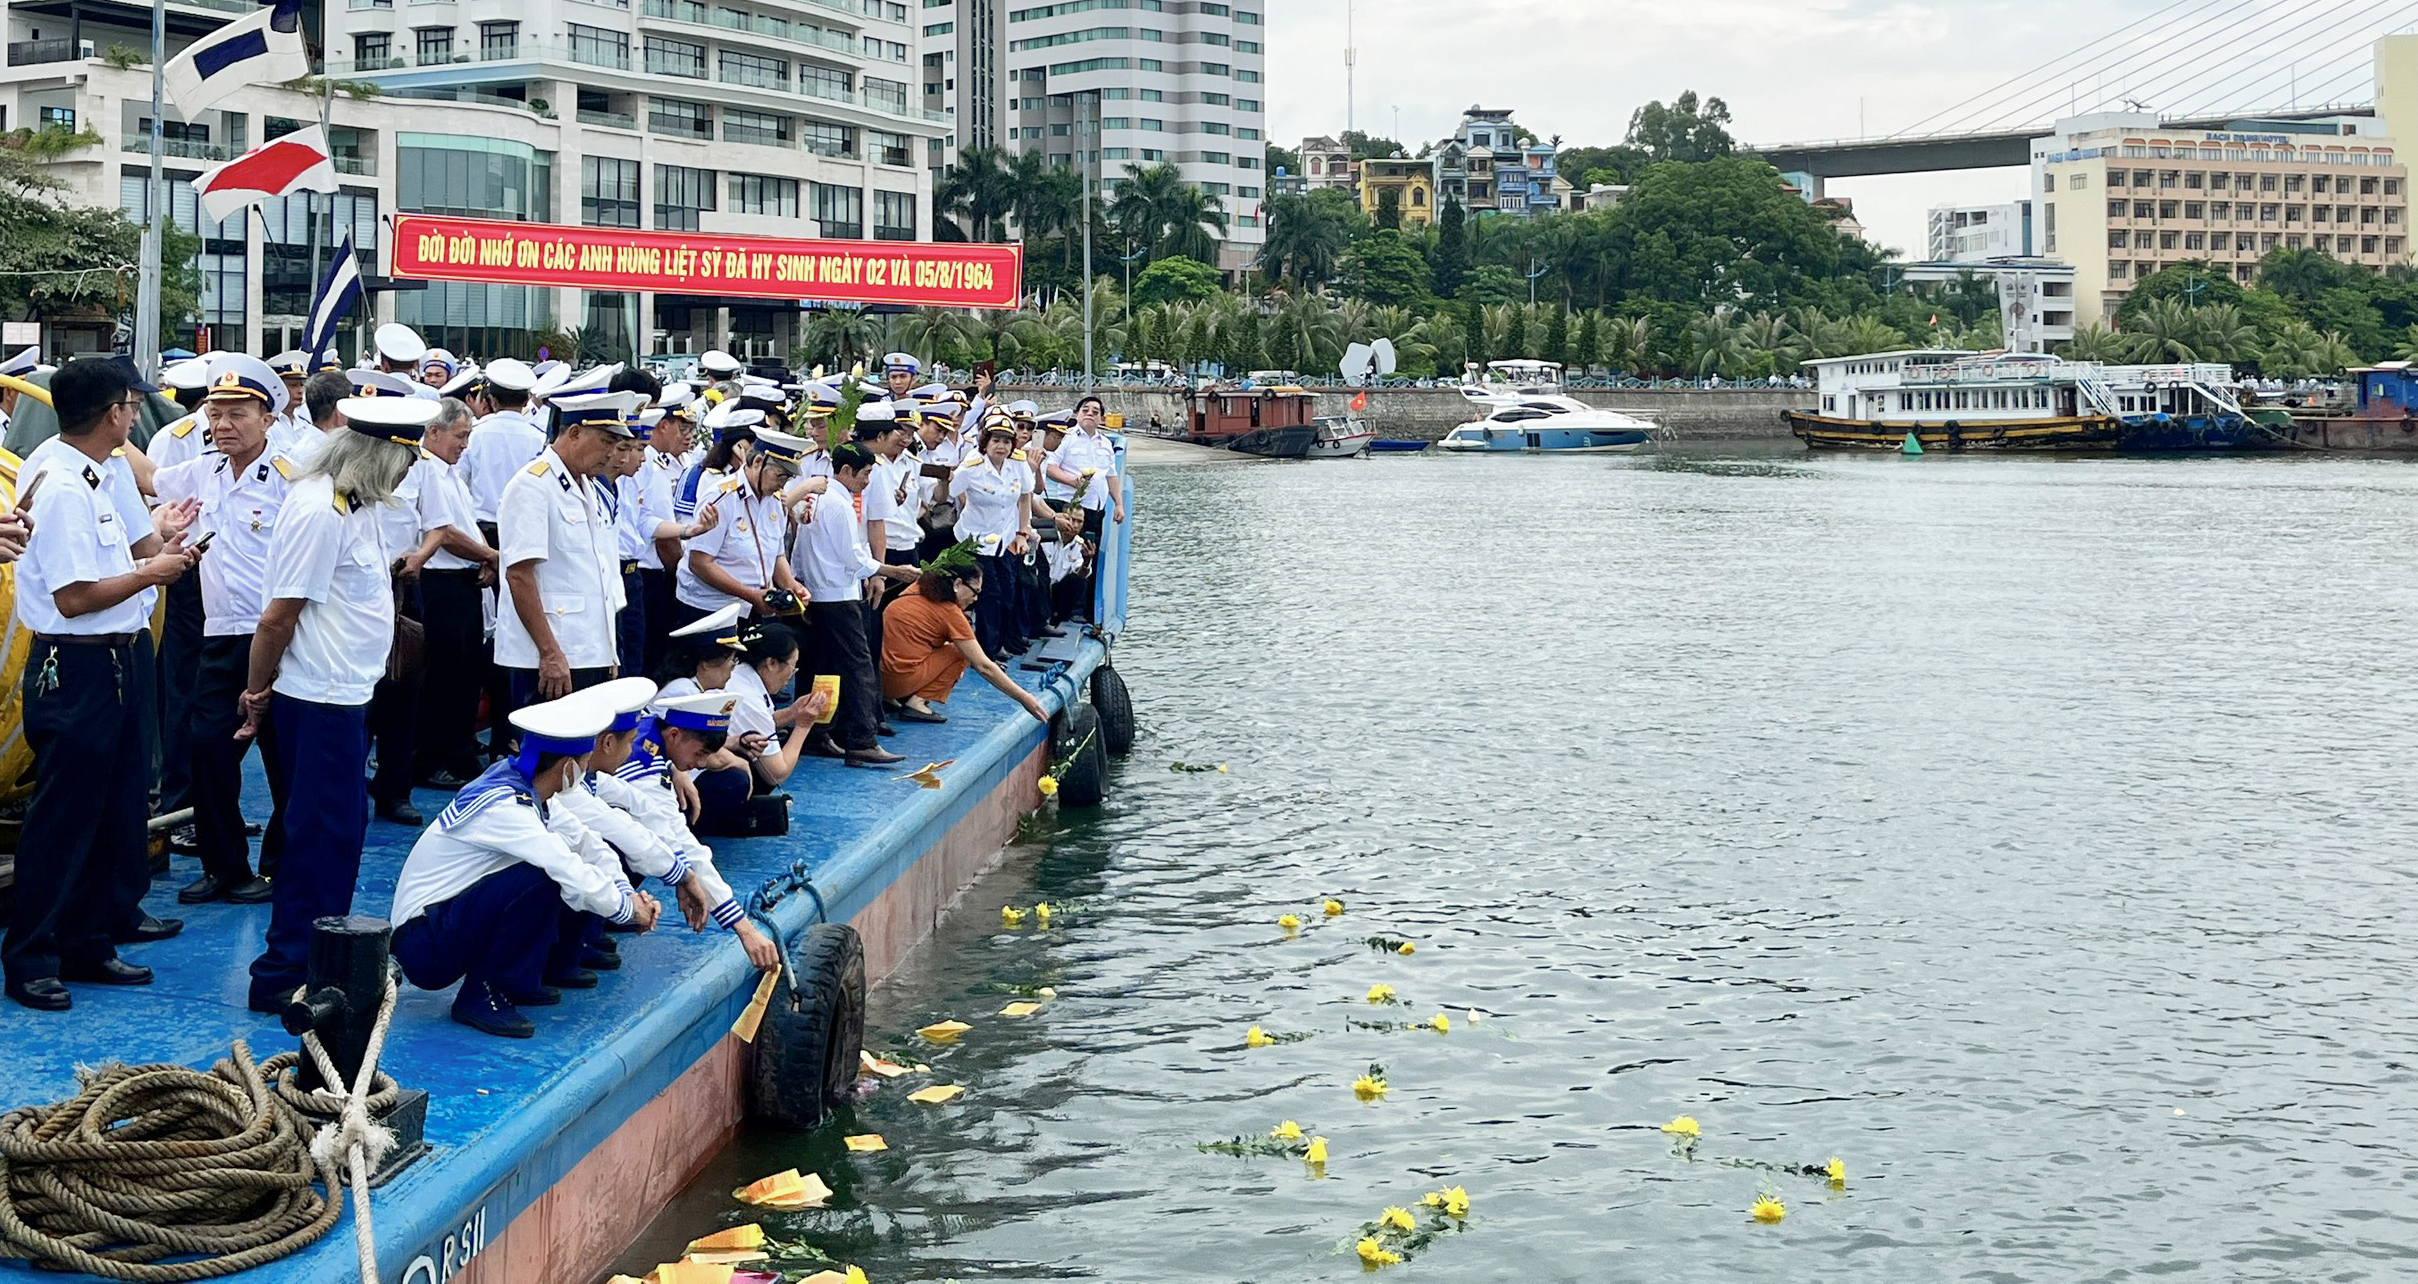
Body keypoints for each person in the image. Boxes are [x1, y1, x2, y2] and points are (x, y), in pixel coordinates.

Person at [4, 358, 198, 1011]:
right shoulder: (59, 485)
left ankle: (88, 940)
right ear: (115, 412)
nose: (134, 415)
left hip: (121, 658)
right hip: (77, 667)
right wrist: (157, 574)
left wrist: (168, 542)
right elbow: (75, 596)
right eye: (130, 405)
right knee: (62, 818)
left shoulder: (104, 471)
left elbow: (140, 546)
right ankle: (31, 956)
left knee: (116, 807)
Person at [237, 393, 432, 1014]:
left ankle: (315, 960)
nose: (408, 475)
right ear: (379, 456)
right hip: (318, 700)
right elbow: (277, 617)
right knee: (320, 839)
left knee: (339, 836)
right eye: (405, 461)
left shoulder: (354, 505)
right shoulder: (321, 509)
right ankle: (285, 973)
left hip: (345, 696)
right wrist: (255, 693)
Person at [388, 694, 661, 1037]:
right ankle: (481, 996)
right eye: (585, 759)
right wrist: (628, 910)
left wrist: (624, 893)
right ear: (568, 767)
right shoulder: (504, 806)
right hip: (423, 945)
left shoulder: (527, 789)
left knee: (554, 867)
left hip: (442, 924)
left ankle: (519, 981)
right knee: (544, 874)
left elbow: (588, 844)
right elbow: (567, 866)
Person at [154, 355, 299, 905]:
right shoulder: (201, 471)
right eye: (215, 414)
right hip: (221, 635)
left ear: (268, 418)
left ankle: (278, 867)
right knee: (206, 750)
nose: (222, 426)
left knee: (283, 757)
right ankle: (224, 865)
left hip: (282, 637)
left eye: (238, 414)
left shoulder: (292, 477)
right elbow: (148, 478)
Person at [582, 679, 779, 969]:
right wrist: (743, 928)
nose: (701, 763)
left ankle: (596, 921)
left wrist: (674, 768)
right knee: (640, 847)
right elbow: (679, 844)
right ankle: (587, 926)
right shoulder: (645, 774)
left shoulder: (652, 728)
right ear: (674, 735)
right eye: (699, 753)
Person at [496, 384, 632, 712]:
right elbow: (519, 575)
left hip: (585, 651)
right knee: (548, 759)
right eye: (606, 442)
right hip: (552, 654)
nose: (612, 454)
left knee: (583, 755)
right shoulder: (533, 485)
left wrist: (607, 650)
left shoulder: (587, 486)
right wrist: (549, 652)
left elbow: (596, 576)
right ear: (574, 433)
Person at [795, 441, 914, 766]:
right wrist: (892, 570)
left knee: (820, 667)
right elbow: (854, 557)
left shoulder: (815, 500)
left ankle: (816, 734)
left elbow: (800, 551)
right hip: (839, 596)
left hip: (818, 594)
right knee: (859, 668)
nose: (867, 481)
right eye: (865, 474)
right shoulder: (840, 505)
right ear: (846, 471)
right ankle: (862, 738)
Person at [403, 397, 498, 790]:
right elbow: (443, 533)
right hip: (440, 584)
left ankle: (454, 751)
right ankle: (435, 758)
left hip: (462, 581)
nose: (464, 445)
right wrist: (492, 555)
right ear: (434, 432)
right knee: (444, 676)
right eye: (460, 436)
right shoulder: (424, 469)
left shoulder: (446, 471)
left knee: (463, 675)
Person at [881, 544, 1049, 726]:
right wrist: (1024, 697)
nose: (975, 599)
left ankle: (894, 698)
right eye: (975, 592)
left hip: (881, 681)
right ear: (958, 584)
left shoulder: (914, 589)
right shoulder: (949, 612)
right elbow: (984, 666)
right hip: (900, 682)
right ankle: (918, 703)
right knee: (961, 652)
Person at [675, 418, 809, 628]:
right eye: (780, 476)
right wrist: (751, 595)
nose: (782, 485)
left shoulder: (774, 501)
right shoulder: (721, 497)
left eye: (788, 479)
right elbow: (700, 562)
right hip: (712, 608)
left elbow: (776, 554)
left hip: (752, 606)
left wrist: (791, 585)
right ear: (757, 463)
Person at [952, 415, 1038, 659]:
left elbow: (1024, 497)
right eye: (996, 440)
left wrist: (1022, 533)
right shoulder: (973, 466)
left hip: (1004, 540)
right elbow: (950, 491)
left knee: (1008, 594)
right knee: (989, 596)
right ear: (985, 442)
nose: (1001, 446)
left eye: (1006, 441)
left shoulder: (1017, 464)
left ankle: (1000, 643)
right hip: (974, 540)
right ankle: (987, 652)